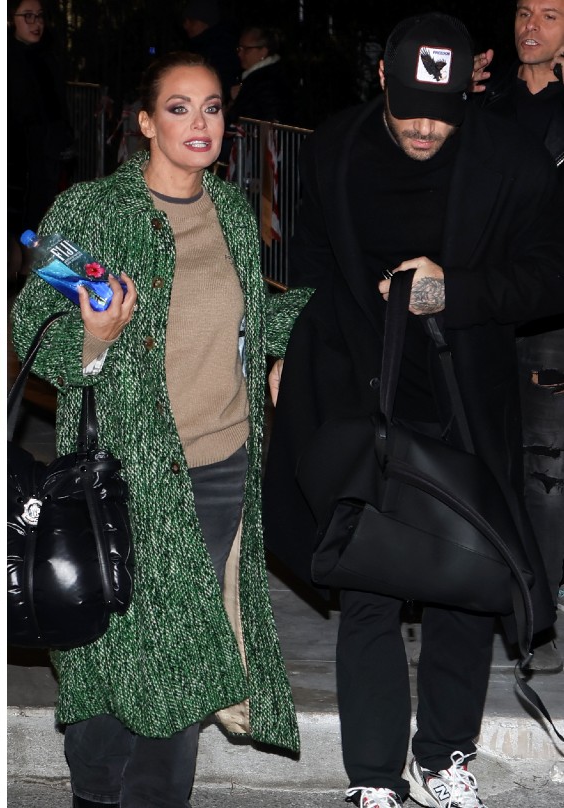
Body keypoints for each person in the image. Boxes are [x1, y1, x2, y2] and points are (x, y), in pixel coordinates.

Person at [262, 13, 564, 808]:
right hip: (362, 392)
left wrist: (452, 293)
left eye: (444, 113)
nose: (427, 129)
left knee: (464, 579)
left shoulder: (511, 159)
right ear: (382, 85)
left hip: (467, 402)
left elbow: (550, 274)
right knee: (369, 582)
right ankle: (372, 776)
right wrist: (289, 347)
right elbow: (312, 256)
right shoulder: (336, 146)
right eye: (410, 113)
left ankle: (445, 758)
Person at [11, 51, 309, 808]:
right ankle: (95, 790)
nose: (199, 123)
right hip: (123, 474)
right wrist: (96, 337)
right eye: (179, 108)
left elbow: (247, 321)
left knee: (183, 659)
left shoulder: (233, 212)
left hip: (220, 466)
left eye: (212, 107)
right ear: (145, 122)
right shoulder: (90, 212)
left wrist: (307, 330)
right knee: (111, 648)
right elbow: (30, 328)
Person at [477, 0, 564, 673]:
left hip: (550, 312)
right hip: (481, 301)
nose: (530, 26)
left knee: (546, 467)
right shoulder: (488, 96)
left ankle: (539, 619)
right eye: (524, 12)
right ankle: (476, 594)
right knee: (481, 454)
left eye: (550, 15)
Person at [8, 0, 73, 236]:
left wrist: (64, 138)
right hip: (18, 153)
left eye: (40, 16)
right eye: (28, 16)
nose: (36, 23)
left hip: (48, 150)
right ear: (10, 20)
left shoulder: (49, 57)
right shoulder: (8, 59)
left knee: (44, 212)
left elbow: (59, 105)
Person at [227, 25, 296, 125]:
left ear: (263, 52)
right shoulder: (264, 76)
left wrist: (235, 103)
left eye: (246, 49)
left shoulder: (267, 81)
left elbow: (269, 121)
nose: (239, 54)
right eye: (239, 49)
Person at [179, 0, 241, 101]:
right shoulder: (194, 46)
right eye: (185, 21)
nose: (186, 26)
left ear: (206, 23)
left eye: (192, 21)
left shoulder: (222, 49)